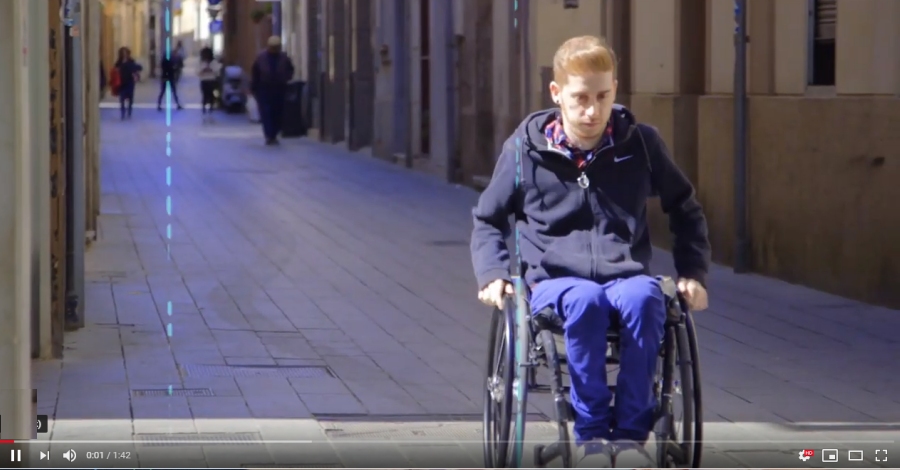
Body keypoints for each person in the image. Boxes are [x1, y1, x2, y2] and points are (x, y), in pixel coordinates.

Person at [470, 35, 711, 468]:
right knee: (585, 301)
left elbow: (685, 206)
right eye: (580, 98)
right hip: (554, 279)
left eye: (603, 96)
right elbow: (488, 217)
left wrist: (693, 271)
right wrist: (493, 273)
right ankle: (593, 433)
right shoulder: (524, 151)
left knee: (646, 297)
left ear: (615, 89)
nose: (592, 111)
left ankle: (632, 433)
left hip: (626, 273)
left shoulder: (640, 144)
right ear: (556, 93)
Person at [250, 36, 295, 145]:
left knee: (277, 112)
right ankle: (269, 135)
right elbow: (255, 73)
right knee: (266, 112)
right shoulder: (261, 58)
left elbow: (290, 70)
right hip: (264, 88)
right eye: (272, 47)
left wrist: (286, 78)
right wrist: (254, 88)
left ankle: (274, 133)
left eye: (276, 47)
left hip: (279, 88)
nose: (274, 49)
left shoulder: (284, 58)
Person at [112, 47, 143, 120]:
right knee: (122, 98)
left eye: (125, 53)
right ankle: (123, 112)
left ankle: (129, 111)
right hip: (122, 82)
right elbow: (115, 69)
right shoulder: (119, 62)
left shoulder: (131, 61)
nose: (124, 54)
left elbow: (137, 68)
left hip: (130, 82)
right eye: (123, 53)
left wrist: (135, 74)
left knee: (130, 98)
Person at [197, 47, 221, 120]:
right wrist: (203, 70)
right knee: (204, 95)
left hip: (211, 80)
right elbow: (197, 72)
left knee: (211, 95)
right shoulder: (201, 62)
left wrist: (211, 70)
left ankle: (211, 108)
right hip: (204, 80)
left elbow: (217, 71)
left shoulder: (214, 62)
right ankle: (204, 109)